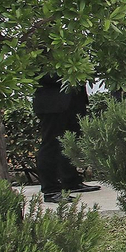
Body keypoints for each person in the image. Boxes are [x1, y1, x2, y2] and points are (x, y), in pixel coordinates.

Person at [32, 73, 101, 204]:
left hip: (74, 99)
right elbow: (42, 75)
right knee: (51, 144)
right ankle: (51, 190)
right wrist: (71, 75)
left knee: (71, 142)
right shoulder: (39, 52)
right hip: (53, 101)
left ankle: (71, 181)